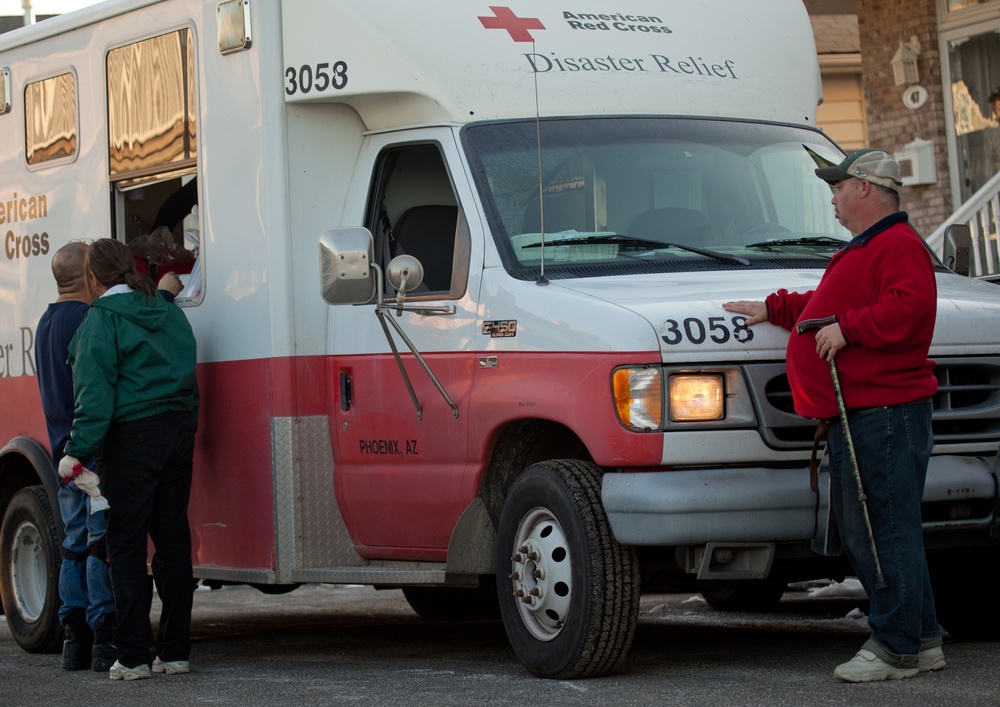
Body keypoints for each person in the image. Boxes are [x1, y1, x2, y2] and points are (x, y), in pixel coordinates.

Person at [723, 149, 944, 683]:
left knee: (880, 532)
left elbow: (911, 309)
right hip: (872, 416)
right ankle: (924, 639)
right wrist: (776, 308)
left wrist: (849, 329)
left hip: (883, 415)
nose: (833, 197)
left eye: (839, 187)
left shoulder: (895, 244)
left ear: (866, 188)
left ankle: (894, 648)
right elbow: (829, 302)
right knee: (886, 530)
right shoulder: (871, 246)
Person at [58, 238, 199, 681]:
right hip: (177, 432)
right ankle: (175, 651)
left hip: (131, 440)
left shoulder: (100, 320)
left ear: (92, 279)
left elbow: (94, 399)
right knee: (173, 543)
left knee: (126, 545)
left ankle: (135, 654)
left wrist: (77, 452)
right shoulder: (168, 310)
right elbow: (188, 375)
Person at [35, 241, 117, 672]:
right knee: (99, 542)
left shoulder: (45, 323)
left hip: (62, 454)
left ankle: (74, 640)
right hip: (92, 454)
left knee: (72, 543)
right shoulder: (89, 319)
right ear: (89, 275)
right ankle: (104, 634)